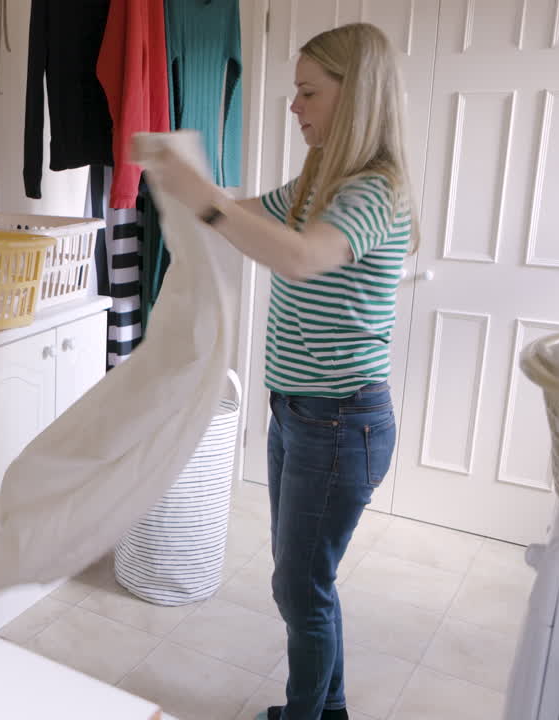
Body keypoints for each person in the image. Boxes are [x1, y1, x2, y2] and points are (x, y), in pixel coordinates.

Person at [142, 22, 414, 720]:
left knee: (300, 589)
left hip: (341, 422)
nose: (294, 106)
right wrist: (189, 184)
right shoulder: (317, 181)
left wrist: (200, 196)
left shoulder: (372, 192)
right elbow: (240, 215)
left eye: (307, 92)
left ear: (355, 97)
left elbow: (298, 255)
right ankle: (329, 711)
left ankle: (307, 716)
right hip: (296, 413)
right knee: (307, 585)